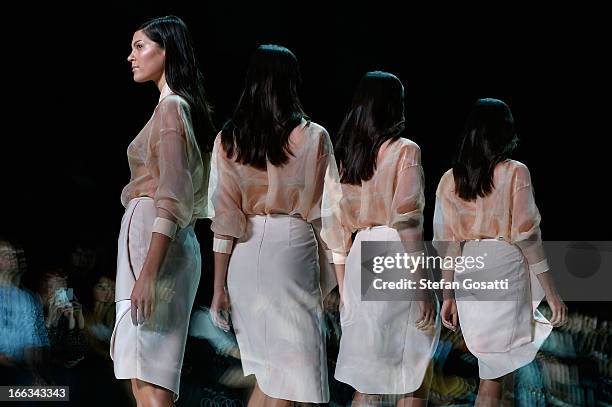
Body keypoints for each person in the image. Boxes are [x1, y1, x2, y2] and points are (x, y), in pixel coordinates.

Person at [208, 44, 336, 405]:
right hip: (292, 248)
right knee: (295, 376)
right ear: (292, 83)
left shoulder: (229, 139)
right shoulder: (313, 136)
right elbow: (327, 215)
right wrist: (338, 278)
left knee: (269, 373)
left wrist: (219, 287)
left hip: (244, 257)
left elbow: (224, 219)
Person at [433, 98, 568, 406]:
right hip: (504, 272)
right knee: (493, 378)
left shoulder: (451, 180)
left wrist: (449, 295)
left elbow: (449, 243)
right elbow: (528, 238)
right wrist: (551, 291)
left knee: (499, 373)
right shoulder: (515, 173)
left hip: (470, 274)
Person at [111, 15, 215, 405]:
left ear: (166, 51)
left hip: (156, 247)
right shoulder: (176, 108)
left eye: (140, 46)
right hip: (159, 245)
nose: (131, 56)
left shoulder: (172, 109)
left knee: (149, 377)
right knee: (146, 376)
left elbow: (172, 194)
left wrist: (149, 274)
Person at [321, 71, 439, 407]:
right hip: (397, 254)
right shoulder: (405, 151)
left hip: (361, 256)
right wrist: (422, 289)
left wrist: (345, 291)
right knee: (414, 374)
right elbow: (408, 224)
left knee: (369, 378)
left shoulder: (346, 159)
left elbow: (335, 231)